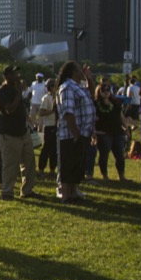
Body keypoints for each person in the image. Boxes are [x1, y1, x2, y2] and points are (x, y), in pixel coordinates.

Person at [55, 62, 95, 202]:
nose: (82, 71)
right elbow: (68, 112)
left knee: (77, 165)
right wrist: (76, 133)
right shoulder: (67, 88)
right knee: (68, 165)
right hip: (71, 135)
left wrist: (90, 79)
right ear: (73, 72)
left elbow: (91, 95)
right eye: (79, 69)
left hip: (82, 133)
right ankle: (66, 195)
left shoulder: (77, 87)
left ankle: (73, 193)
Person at [0, 67, 34, 198]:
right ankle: (7, 191)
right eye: (14, 73)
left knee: (29, 163)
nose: (17, 76)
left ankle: (27, 190)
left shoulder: (16, 90)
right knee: (10, 164)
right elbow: (9, 109)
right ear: (6, 76)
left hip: (23, 132)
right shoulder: (1, 91)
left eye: (17, 73)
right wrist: (18, 93)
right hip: (9, 134)